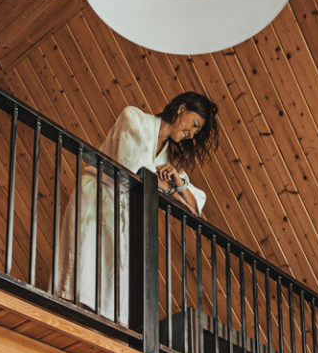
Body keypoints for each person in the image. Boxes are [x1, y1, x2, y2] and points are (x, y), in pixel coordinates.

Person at [63, 92, 219, 320]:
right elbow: (133, 168)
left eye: (196, 132)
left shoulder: (169, 159)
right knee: (83, 276)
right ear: (181, 108)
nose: (192, 134)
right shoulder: (134, 118)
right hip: (97, 201)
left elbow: (194, 207)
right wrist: (169, 191)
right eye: (194, 124)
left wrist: (178, 182)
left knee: (112, 291)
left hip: (124, 216)